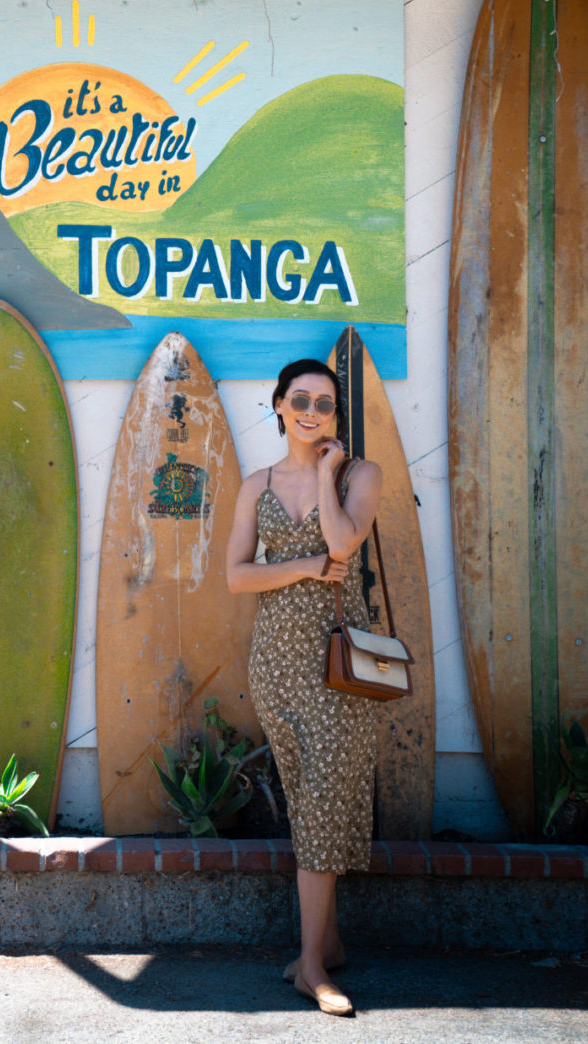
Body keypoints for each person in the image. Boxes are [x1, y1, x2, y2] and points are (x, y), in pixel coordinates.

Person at [226, 358, 381, 1018]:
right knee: (308, 797)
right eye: (300, 399)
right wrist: (305, 565)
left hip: (336, 664)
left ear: (336, 416)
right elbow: (236, 576)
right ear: (279, 405)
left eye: (325, 402)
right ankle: (333, 941)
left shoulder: (358, 475)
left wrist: (323, 473)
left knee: (322, 801)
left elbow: (343, 545)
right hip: (276, 664)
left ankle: (310, 966)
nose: (312, 409)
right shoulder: (254, 485)